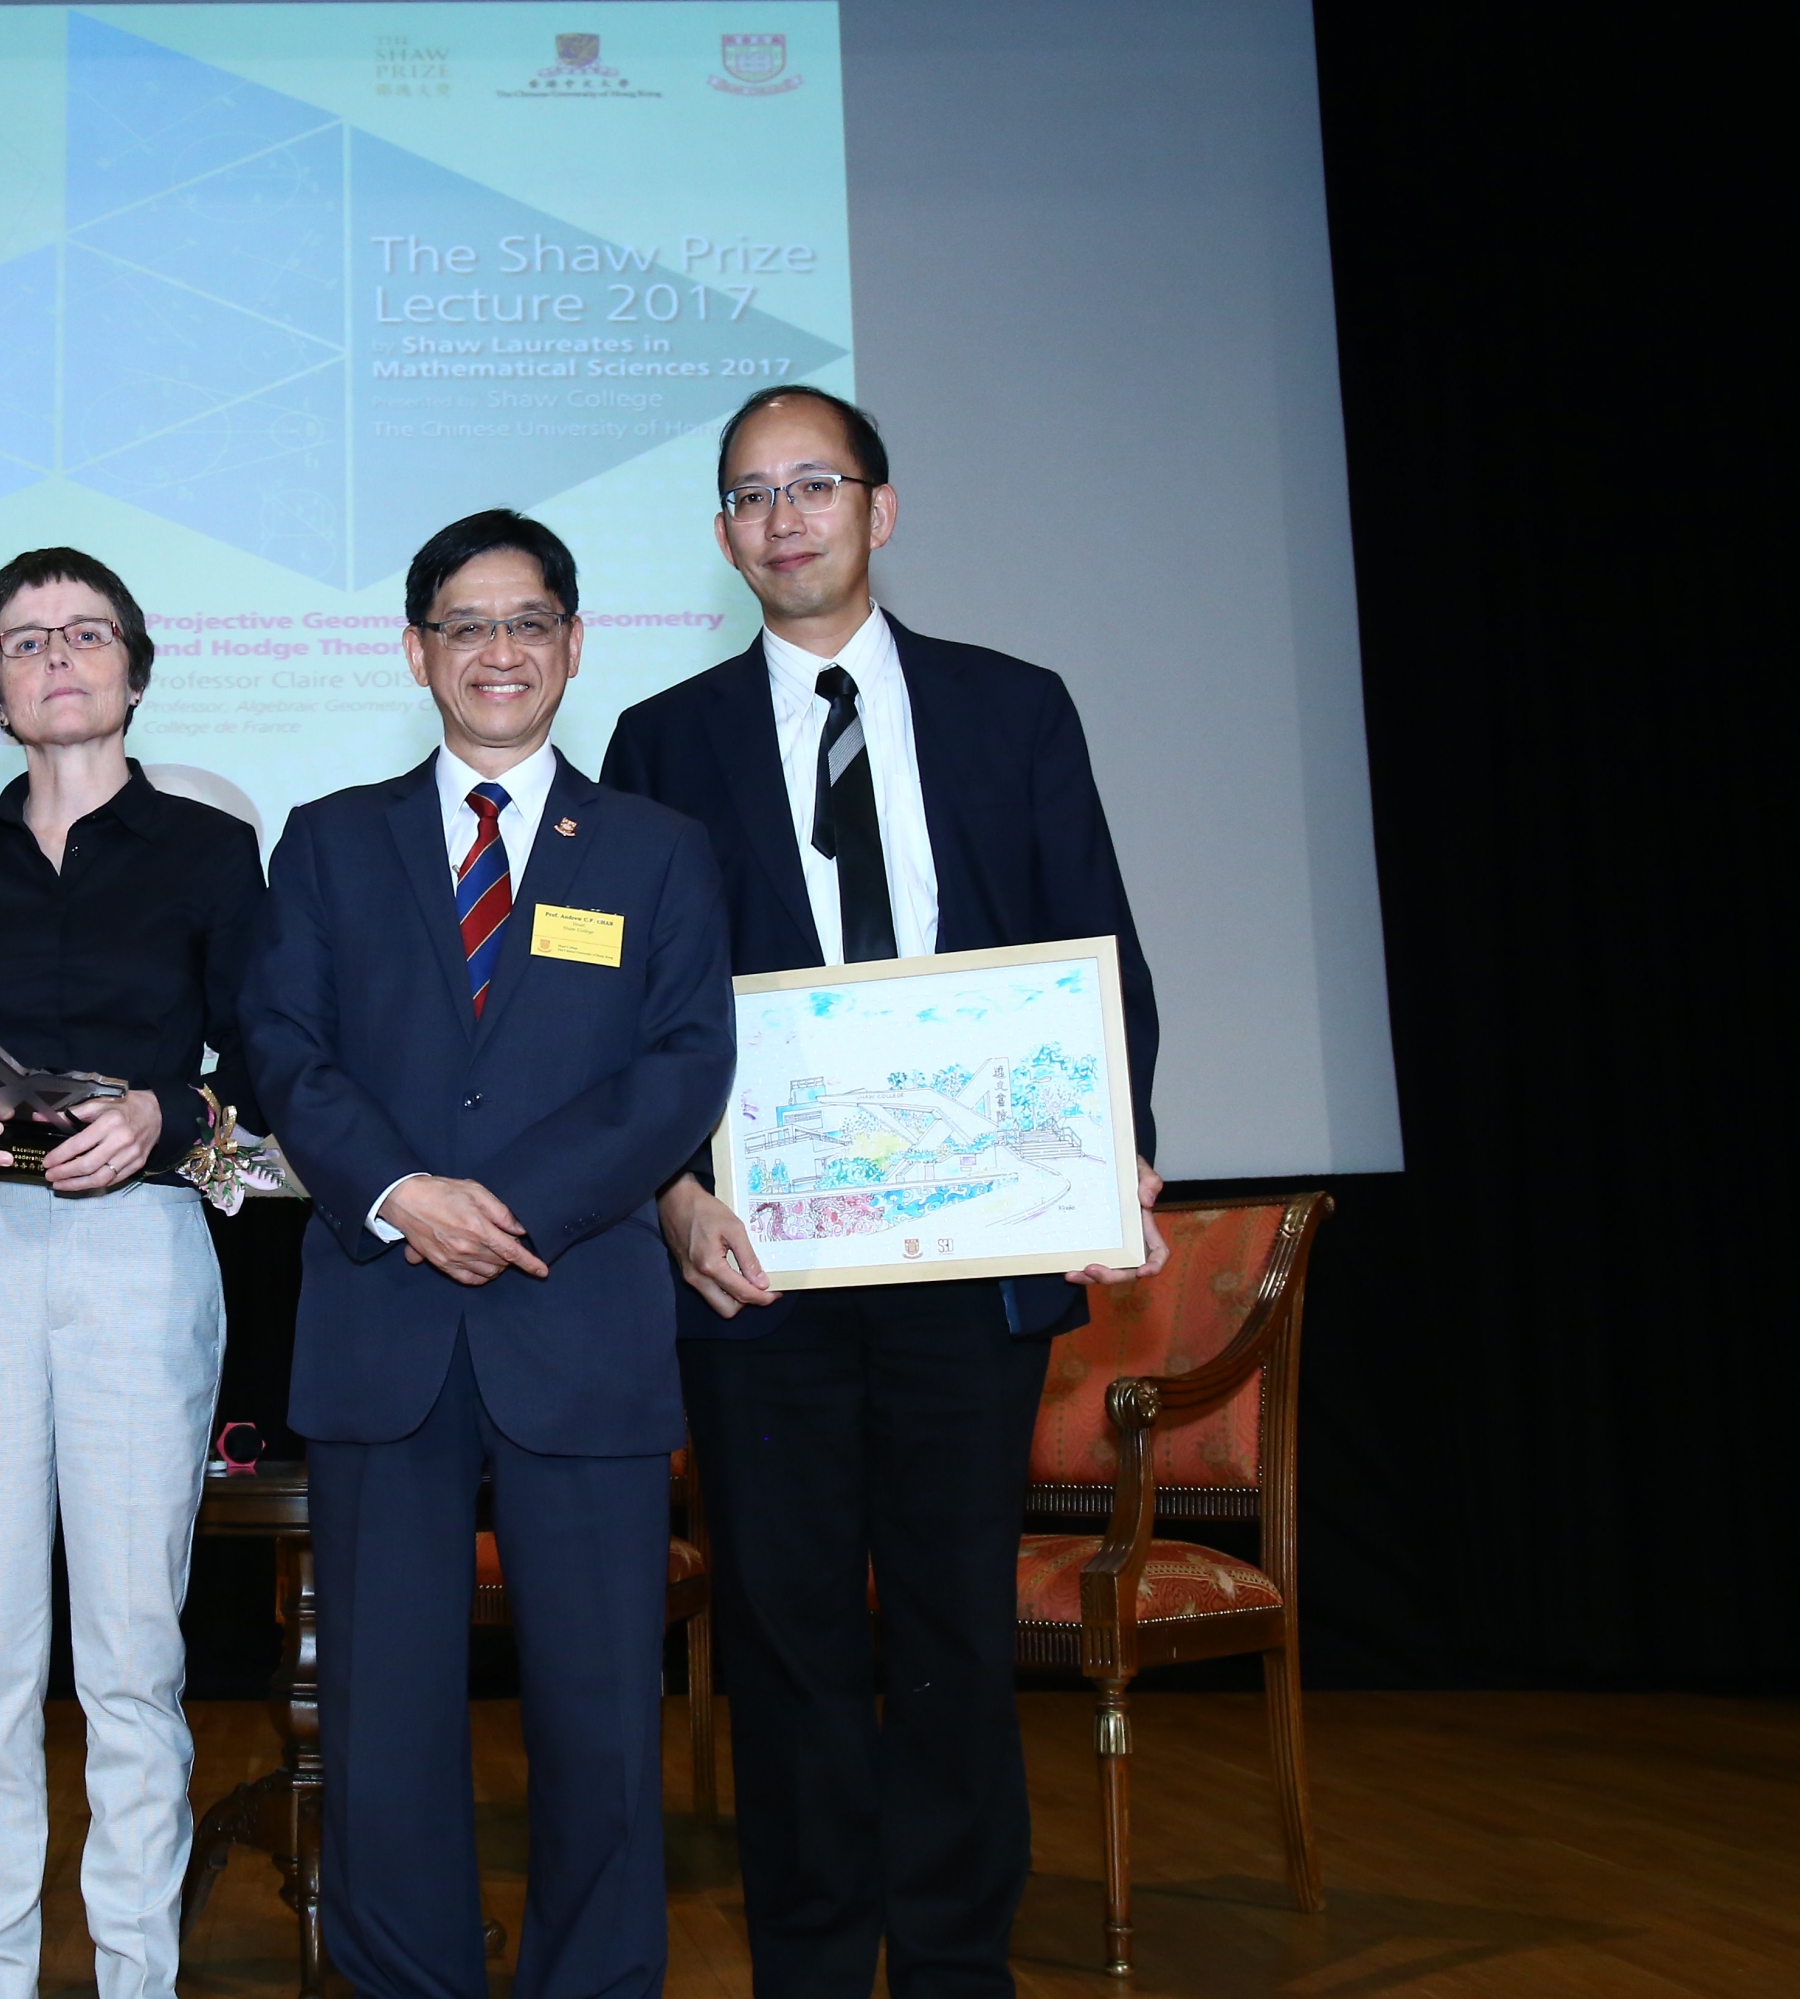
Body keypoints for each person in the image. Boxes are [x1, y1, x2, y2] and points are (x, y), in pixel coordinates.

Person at [599, 384, 1166, 1999]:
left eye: (816, 485)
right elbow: (643, 1018)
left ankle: (956, 1961)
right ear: (724, 537)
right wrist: (672, 1192)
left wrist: (1112, 1130)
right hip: (761, 1269)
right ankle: (804, 1959)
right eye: (753, 496)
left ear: (881, 509)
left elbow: (1100, 958)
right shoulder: (664, 741)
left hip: (974, 1261)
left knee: (951, 1637)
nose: (786, 518)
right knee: (785, 1645)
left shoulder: (1014, 709)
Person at [241, 511, 735, 1999]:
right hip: (382, 1320)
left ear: (574, 647)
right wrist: (403, 1192)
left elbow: (681, 1067)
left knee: (598, 1714)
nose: (499, 650)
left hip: (575, 1318)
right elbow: (283, 1046)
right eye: (466, 625)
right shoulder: (327, 842)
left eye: (530, 622)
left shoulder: (657, 851)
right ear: (417, 652)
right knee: (385, 1717)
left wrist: (498, 1209)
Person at [0, 547, 267, 1999]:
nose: (58, 657)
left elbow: (263, 1059)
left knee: (127, 1652)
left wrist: (169, 1113)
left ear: (135, 666)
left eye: (85, 632)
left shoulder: (210, 854)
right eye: (26, 640)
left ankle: (134, 1972)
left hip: (139, 1255)